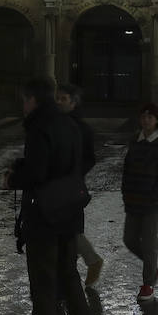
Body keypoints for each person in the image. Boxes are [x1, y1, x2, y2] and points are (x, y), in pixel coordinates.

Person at [1, 77, 96, 315]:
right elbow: (73, 164)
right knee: (69, 279)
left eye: (25, 99)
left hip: (45, 215)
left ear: (33, 100)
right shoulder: (70, 124)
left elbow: (39, 172)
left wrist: (13, 178)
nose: (23, 104)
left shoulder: (39, 127)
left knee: (43, 283)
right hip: (70, 211)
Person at [121, 103, 158, 302]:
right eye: (143, 117)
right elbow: (127, 169)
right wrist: (126, 193)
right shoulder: (135, 140)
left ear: (157, 120)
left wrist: (155, 192)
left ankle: (148, 285)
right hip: (134, 201)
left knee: (149, 242)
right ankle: (152, 265)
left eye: (150, 117)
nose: (146, 121)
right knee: (129, 239)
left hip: (153, 203)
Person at [58, 82, 104, 287]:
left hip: (71, 186)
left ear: (73, 102)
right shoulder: (57, 123)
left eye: (63, 99)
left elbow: (89, 158)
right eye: (57, 98)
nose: (59, 102)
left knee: (70, 229)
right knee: (65, 228)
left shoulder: (81, 128)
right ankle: (75, 265)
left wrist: (75, 175)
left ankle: (90, 260)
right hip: (58, 185)